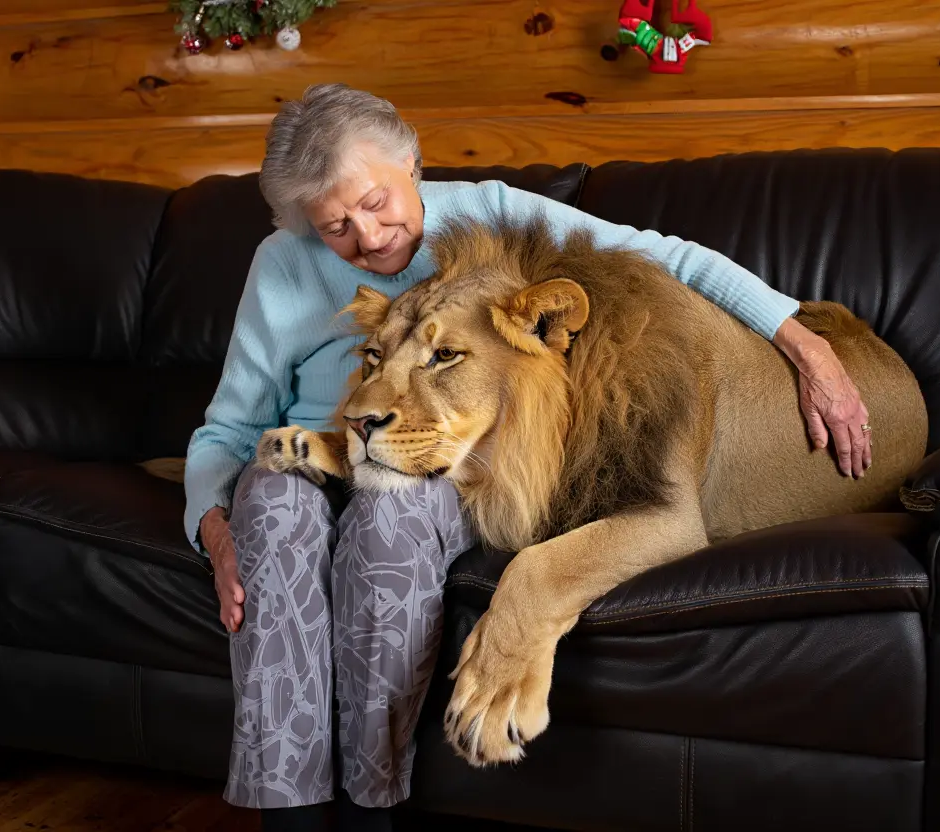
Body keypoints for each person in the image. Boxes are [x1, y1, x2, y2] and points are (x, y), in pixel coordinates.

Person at [184, 83, 872, 832]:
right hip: (327, 443)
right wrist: (213, 527)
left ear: (413, 164)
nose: (370, 236)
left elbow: (667, 259)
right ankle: (287, 817)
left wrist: (806, 345)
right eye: (335, 226)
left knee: (391, 520)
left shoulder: (492, 213)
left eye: (376, 203)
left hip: (440, 458)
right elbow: (227, 430)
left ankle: (369, 807)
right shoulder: (281, 266)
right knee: (272, 508)